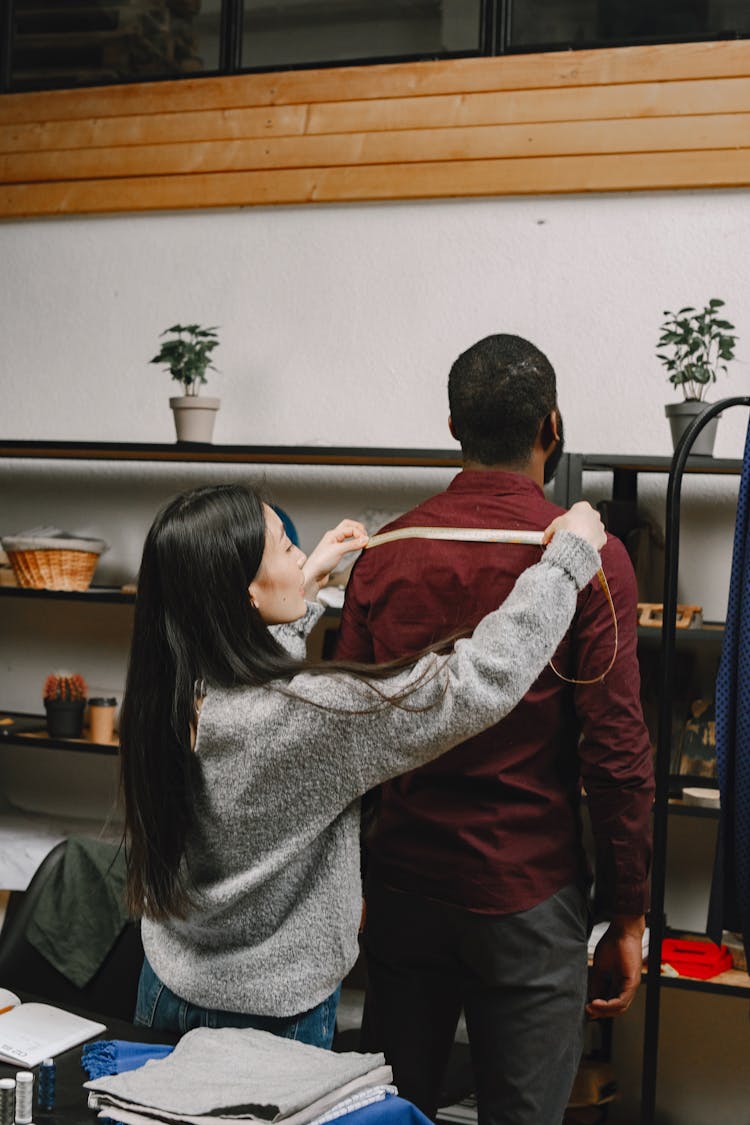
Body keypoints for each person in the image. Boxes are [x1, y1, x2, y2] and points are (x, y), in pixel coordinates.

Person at [119, 481, 605, 1046]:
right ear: (245, 593)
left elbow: (259, 697)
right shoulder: (314, 718)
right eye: (284, 546)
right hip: (270, 1020)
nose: (301, 553)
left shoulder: (171, 692)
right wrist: (565, 564)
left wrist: (300, 592)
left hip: (165, 987)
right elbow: (471, 684)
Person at [336, 334, 655, 1124]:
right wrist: (629, 912)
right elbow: (615, 755)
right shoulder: (587, 557)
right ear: (552, 425)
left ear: (453, 425)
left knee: (390, 1116)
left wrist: (352, 883)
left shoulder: (385, 553)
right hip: (527, 895)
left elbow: (343, 742)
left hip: (402, 887)